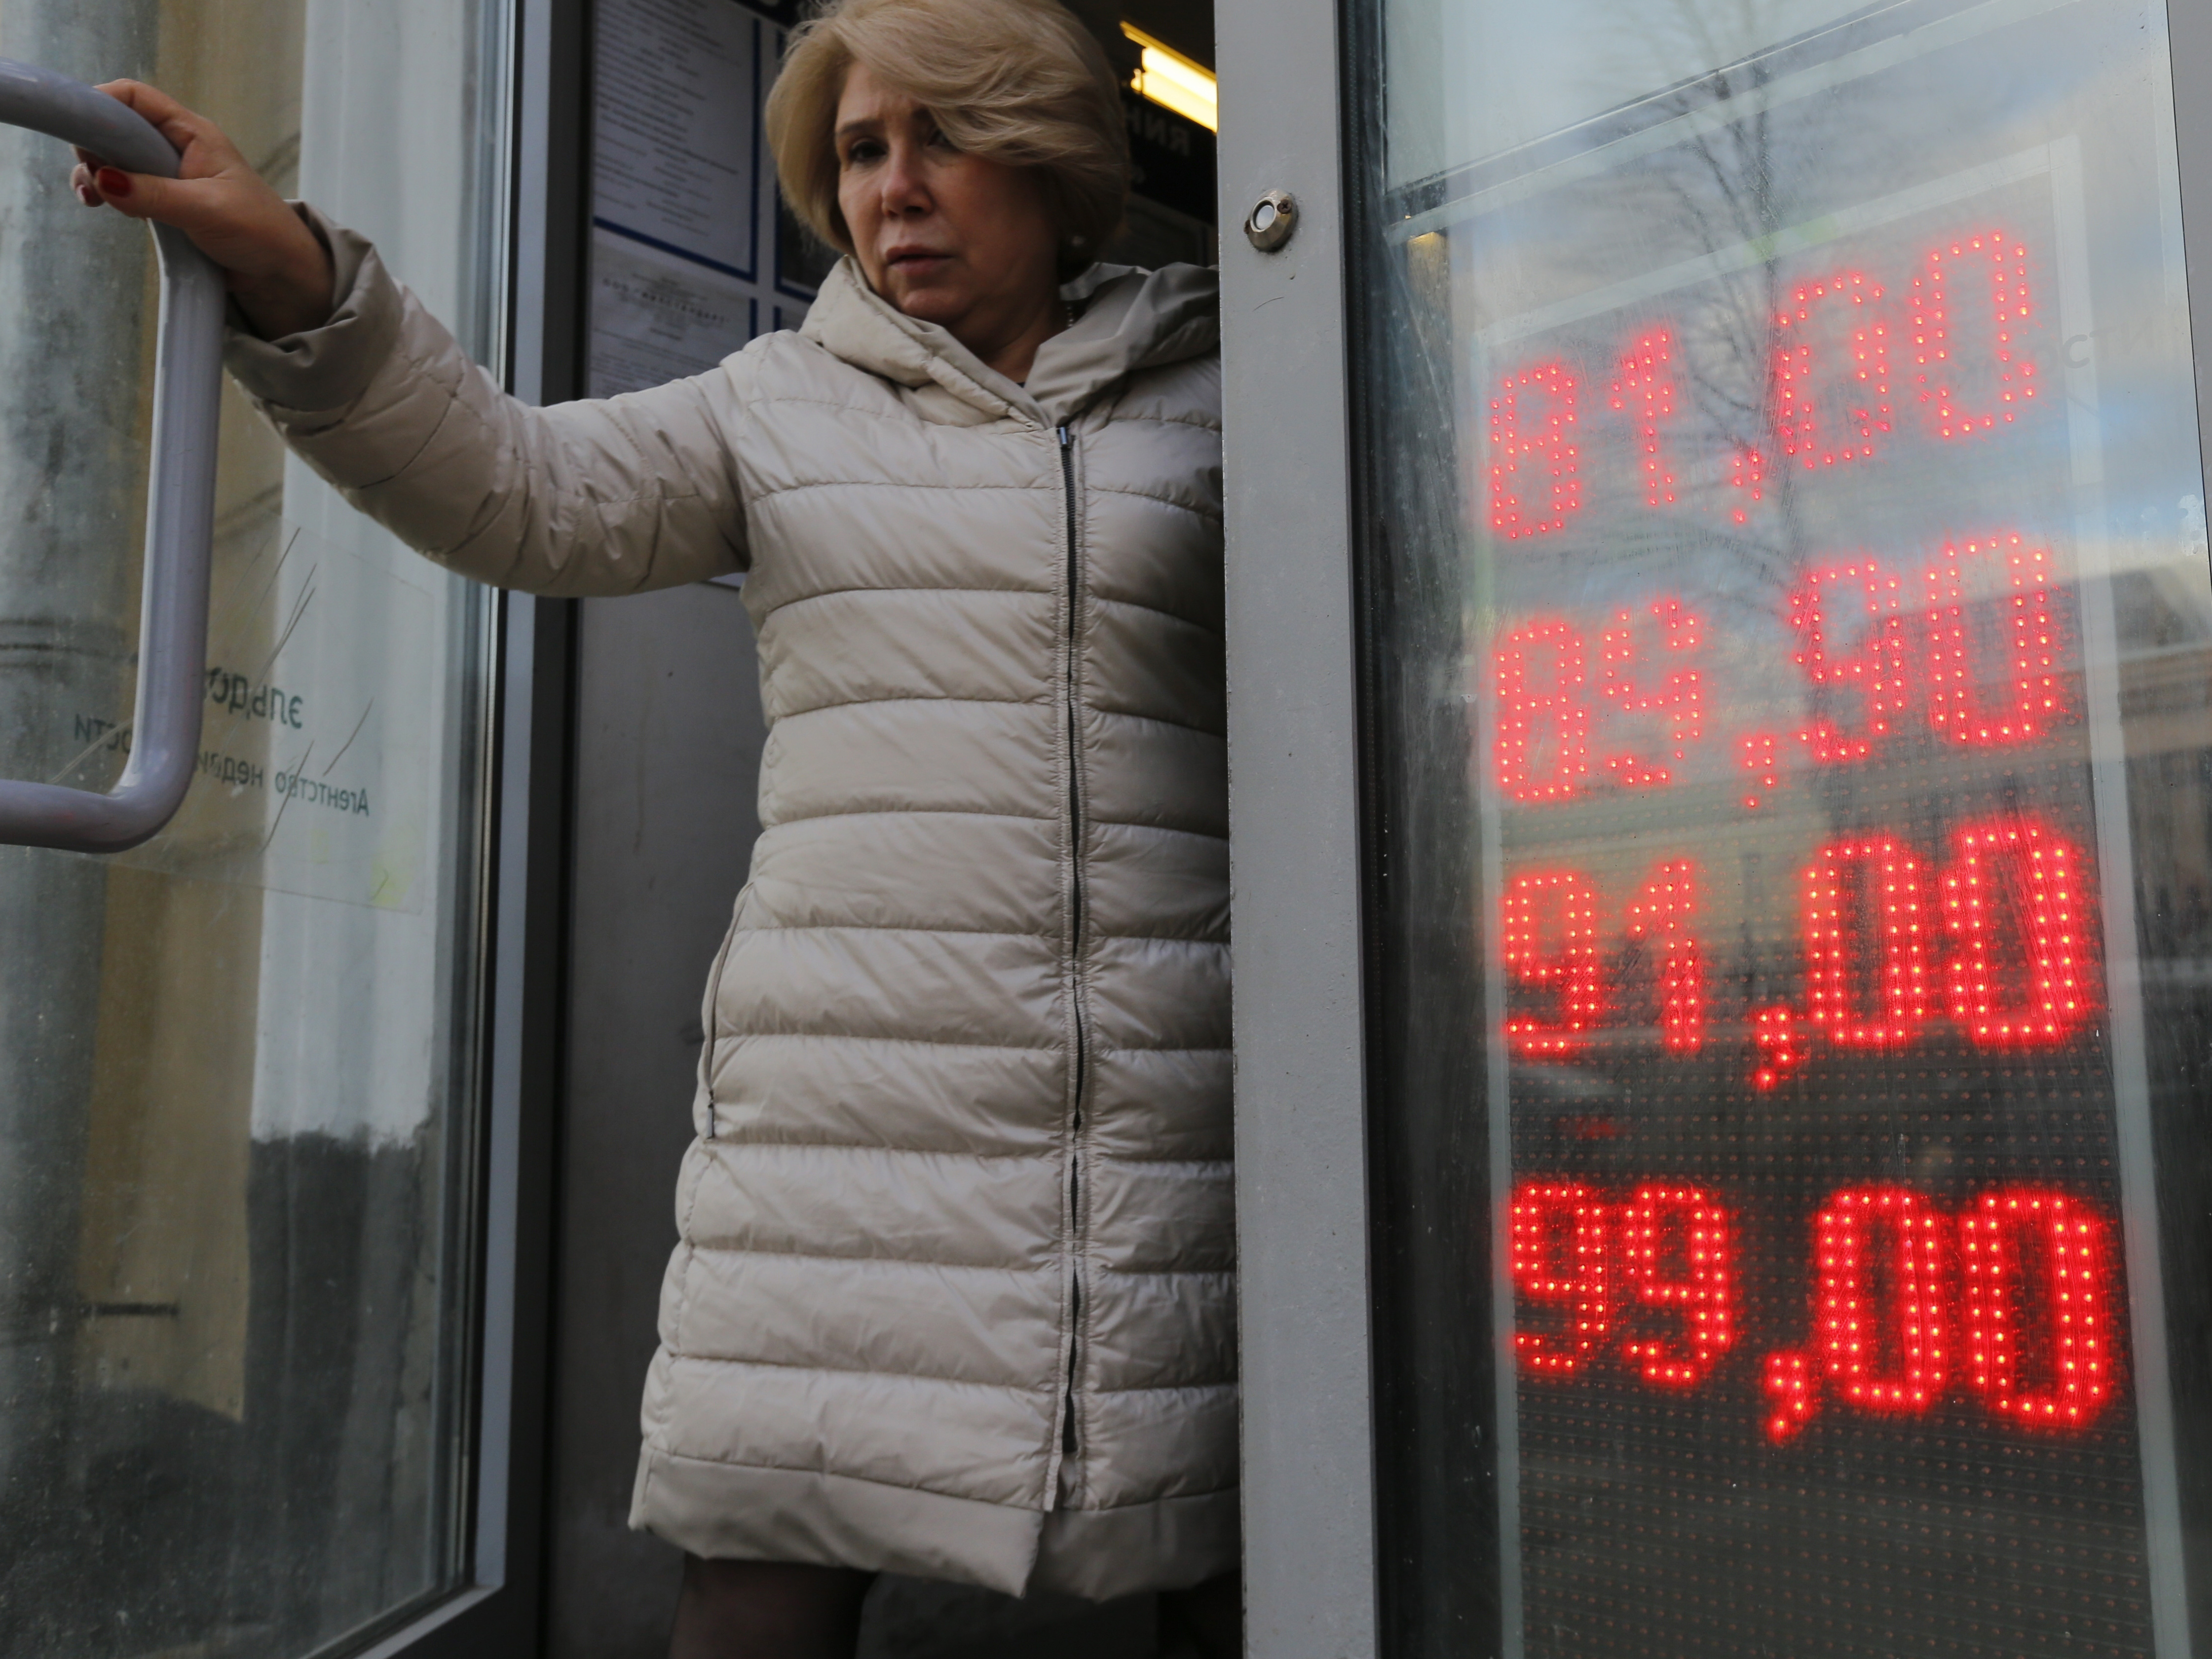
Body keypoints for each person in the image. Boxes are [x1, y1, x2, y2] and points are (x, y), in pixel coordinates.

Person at [71, 0, 1238, 1655]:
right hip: (842, 1128)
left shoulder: (1222, 392)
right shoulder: (781, 402)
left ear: (1049, 161)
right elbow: (514, 485)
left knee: (1223, 1561)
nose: (892, 190)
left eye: (941, 138)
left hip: (1151, 1121)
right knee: (758, 1578)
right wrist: (295, 271)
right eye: (856, 152)